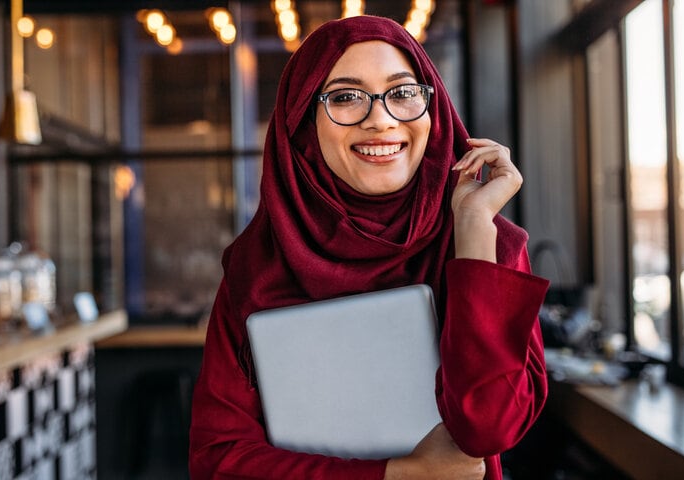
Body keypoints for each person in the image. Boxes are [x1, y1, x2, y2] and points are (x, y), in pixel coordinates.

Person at [189, 15, 549, 480]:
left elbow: (489, 429)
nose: (380, 119)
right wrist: (399, 474)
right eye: (344, 97)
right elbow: (218, 462)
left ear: (431, 112)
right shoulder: (255, 268)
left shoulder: (488, 247)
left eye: (403, 93)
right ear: (302, 126)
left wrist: (475, 228)